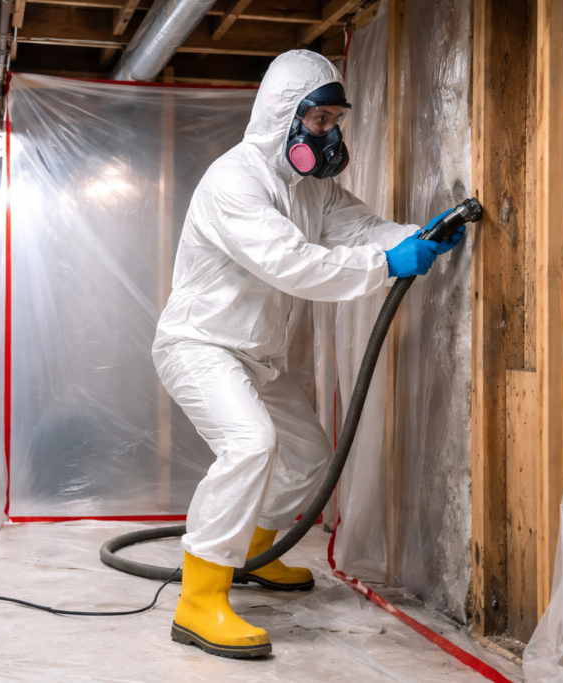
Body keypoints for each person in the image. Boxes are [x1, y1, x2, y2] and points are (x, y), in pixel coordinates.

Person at [152, 50, 465, 659]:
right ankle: (199, 601)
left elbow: (361, 230)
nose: (329, 133)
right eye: (319, 120)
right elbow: (289, 263)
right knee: (250, 444)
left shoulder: (312, 188)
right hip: (201, 345)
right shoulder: (235, 179)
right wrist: (384, 268)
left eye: (334, 121)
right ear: (282, 117)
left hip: (257, 357)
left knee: (308, 455)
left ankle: (253, 555)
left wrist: (418, 235)